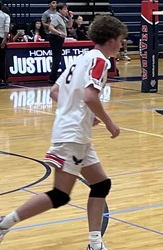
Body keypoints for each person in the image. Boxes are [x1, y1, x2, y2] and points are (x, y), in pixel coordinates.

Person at [0, 15, 127, 249]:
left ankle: (94, 243)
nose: (122, 45)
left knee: (101, 185)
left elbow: (56, 91)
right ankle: (4, 224)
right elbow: (89, 96)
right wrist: (109, 122)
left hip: (74, 132)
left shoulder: (81, 59)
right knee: (60, 194)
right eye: (120, 40)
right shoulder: (99, 61)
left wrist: (83, 114)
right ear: (111, 40)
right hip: (72, 136)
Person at [47, 2, 73, 85]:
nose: (66, 10)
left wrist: (70, 17)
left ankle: (53, 77)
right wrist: (59, 33)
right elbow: (50, 27)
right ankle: (52, 78)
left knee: (57, 58)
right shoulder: (56, 17)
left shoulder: (63, 17)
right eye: (65, 9)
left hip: (59, 39)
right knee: (56, 58)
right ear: (60, 10)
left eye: (67, 9)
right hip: (55, 38)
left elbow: (69, 26)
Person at [0, 0, 10, 88]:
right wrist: (4, 40)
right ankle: (2, 79)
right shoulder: (5, 16)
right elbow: (6, 28)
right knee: (2, 60)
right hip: (1, 38)